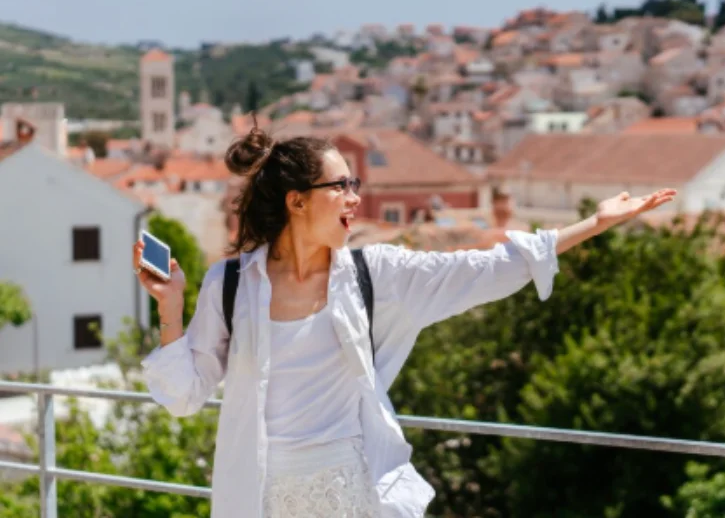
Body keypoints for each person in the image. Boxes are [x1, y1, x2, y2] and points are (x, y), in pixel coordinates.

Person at [135, 127, 676, 518]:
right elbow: (183, 396)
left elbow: (485, 268)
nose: (355, 198)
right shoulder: (230, 283)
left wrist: (592, 224)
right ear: (297, 202)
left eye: (355, 183)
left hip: (349, 492)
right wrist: (169, 309)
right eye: (340, 186)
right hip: (260, 496)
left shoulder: (375, 273)